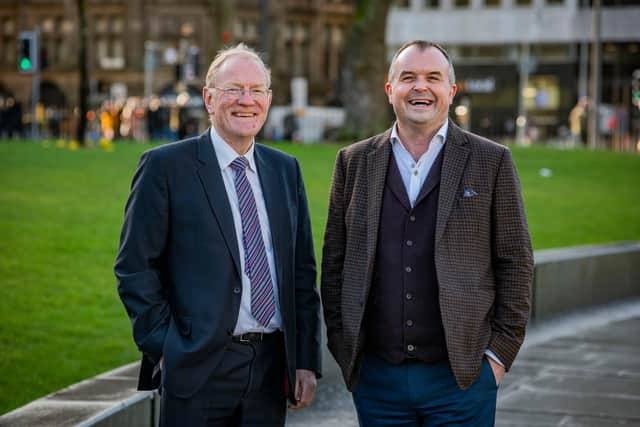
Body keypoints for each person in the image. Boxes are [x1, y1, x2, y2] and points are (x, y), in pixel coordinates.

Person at [321, 40, 533, 426]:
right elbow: (334, 264)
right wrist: (344, 345)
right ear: (390, 91)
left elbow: (516, 262)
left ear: (451, 92)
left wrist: (497, 358)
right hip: (377, 382)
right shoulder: (352, 162)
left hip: (462, 381)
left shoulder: (492, 160)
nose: (421, 87)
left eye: (433, 78)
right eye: (408, 78)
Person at [115, 43, 321, 427]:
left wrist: (306, 360)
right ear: (209, 99)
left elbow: (301, 273)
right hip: (197, 367)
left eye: (256, 90)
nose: (247, 100)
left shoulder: (285, 170)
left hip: (270, 370)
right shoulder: (166, 167)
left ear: (269, 99)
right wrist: (166, 349)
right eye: (234, 89)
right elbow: (135, 268)